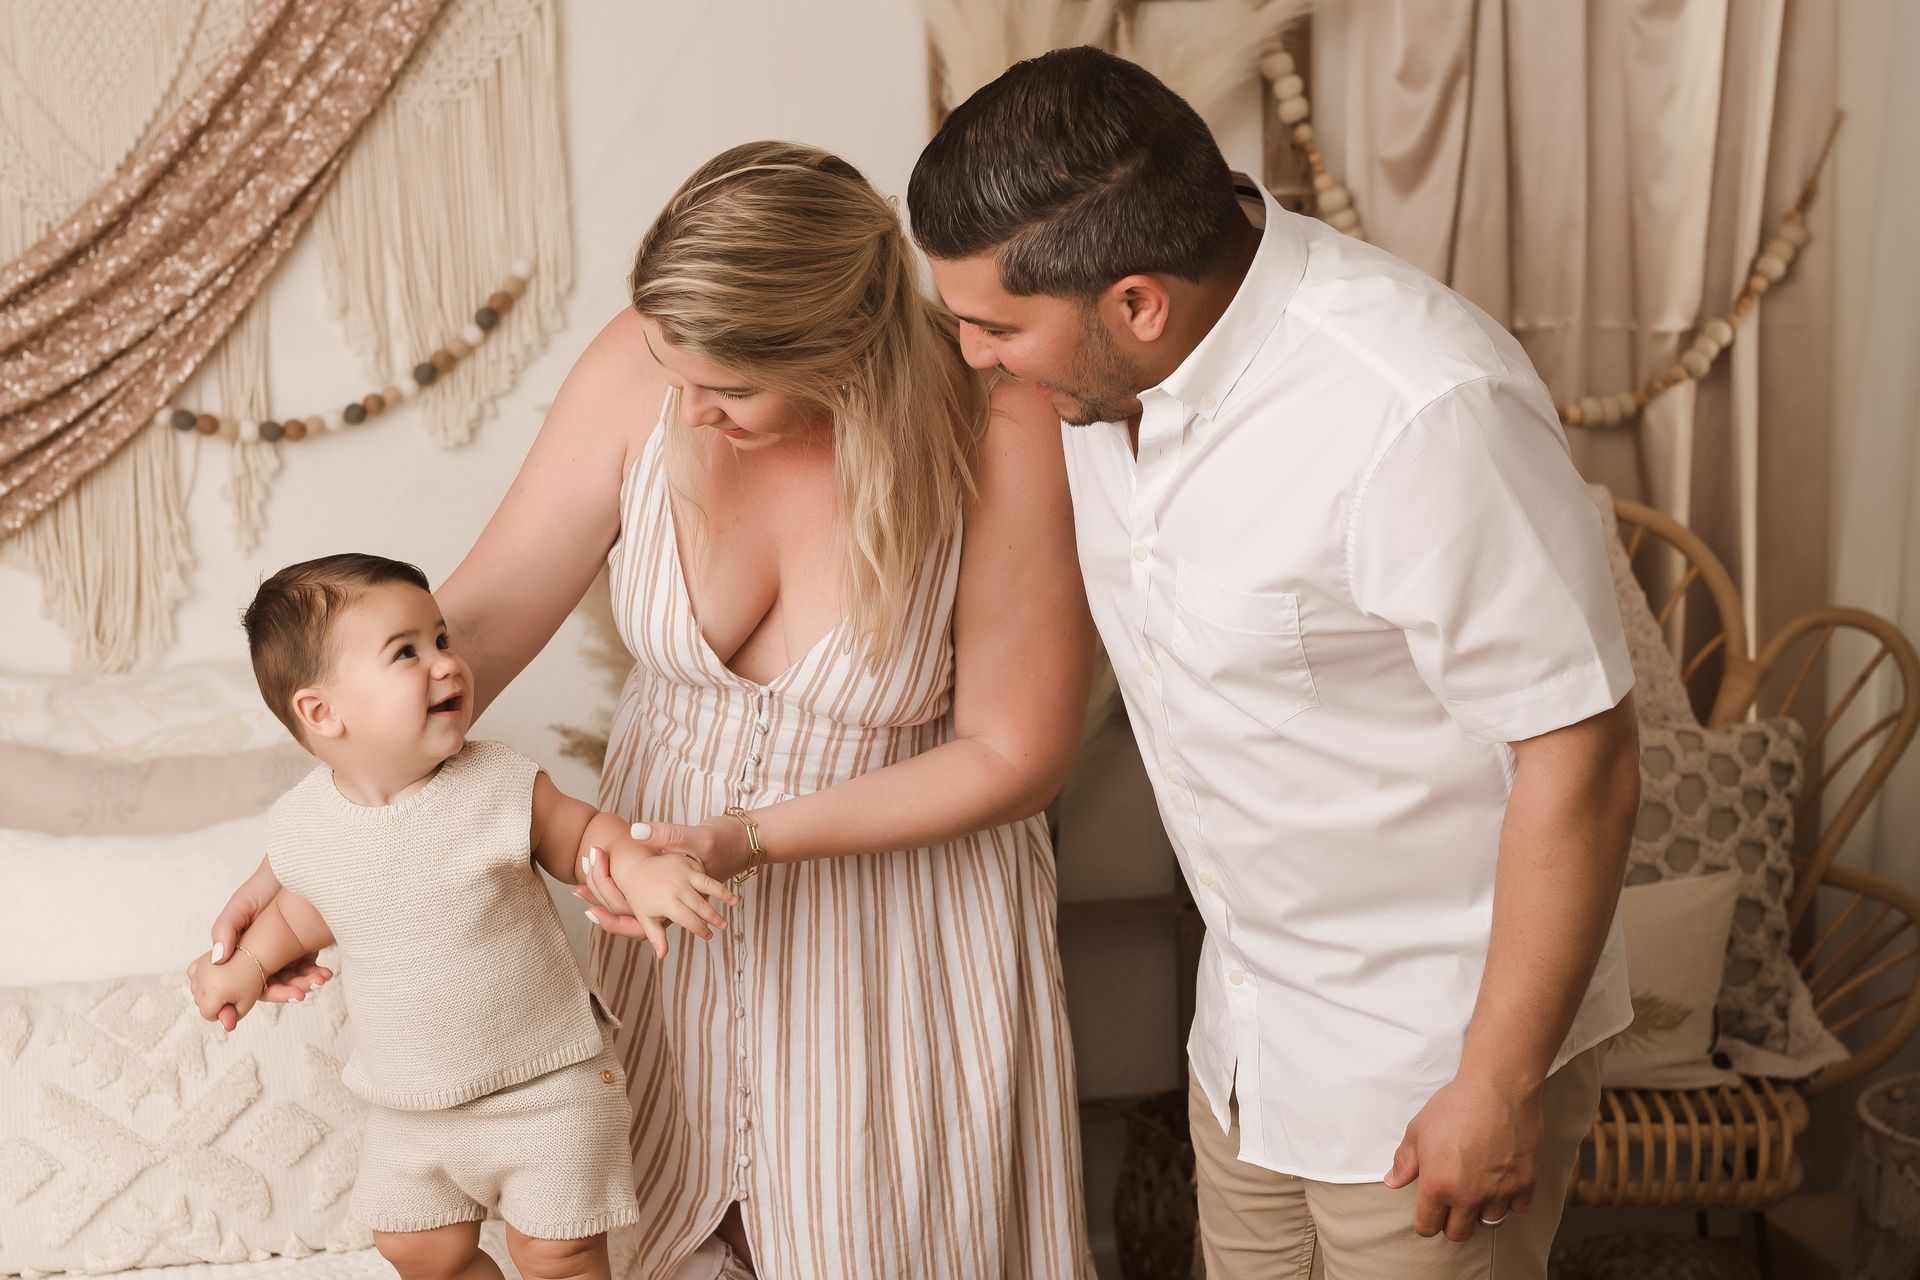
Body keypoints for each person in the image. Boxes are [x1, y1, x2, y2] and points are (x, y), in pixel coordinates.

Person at [208, 142, 1097, 1279]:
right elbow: (470, 630)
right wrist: (317, 851)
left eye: (725, 390)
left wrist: (757, 835)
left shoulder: (995, 426)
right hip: (663, 918)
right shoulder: (643, 364)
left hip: (899, 935)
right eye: (673, 368)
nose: (684, 408)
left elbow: (1015, 752)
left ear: (839, 348)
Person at [908, 47, 1641, 1279]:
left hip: (1435, 1060)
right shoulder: (1104, 374)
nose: (977, 357)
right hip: (1247, 1045)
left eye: (995, 327)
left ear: (1138, 302)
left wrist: (1499, 1081)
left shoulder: (1416, 407)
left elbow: (1583, 752)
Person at [188, 553, 736, 1280]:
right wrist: (248, 964)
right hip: (409, 1106)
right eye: (406, 653)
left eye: (441, 639)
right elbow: (301, 913)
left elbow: (580, 836)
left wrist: (638, 867)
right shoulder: (302, 828)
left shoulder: (498, 782)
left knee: (559, 1253)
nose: (446, 664)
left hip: (547, 1086)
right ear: (322, 711)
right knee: (417, 1249)